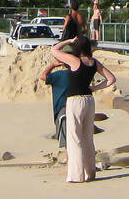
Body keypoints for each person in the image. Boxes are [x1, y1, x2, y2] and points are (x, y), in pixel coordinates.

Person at [49, 37, 116, 183]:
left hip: (75, 100)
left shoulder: (75, 61)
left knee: (74, 139)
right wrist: (95, 88)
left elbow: (54, 50)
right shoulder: (94, 62)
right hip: (89, 100)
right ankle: (90, 173)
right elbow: (111, 79)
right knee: (87, 138)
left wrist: (68, 40)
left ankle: (77, 175)